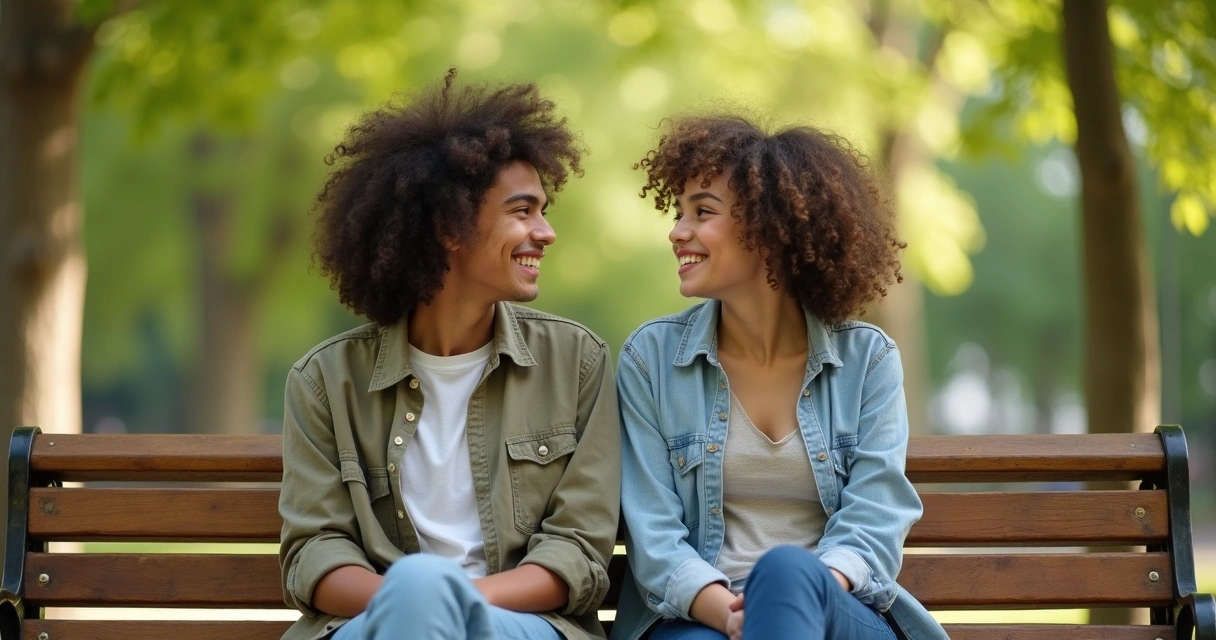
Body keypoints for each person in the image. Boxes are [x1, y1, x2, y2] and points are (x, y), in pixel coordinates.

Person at [278, 70, 621, 640]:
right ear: (449, 226)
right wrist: (414, 604)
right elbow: (315, 554)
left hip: (519, 626)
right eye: (523, 211)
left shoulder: (576, 363)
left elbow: (576, 554)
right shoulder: (325, 380)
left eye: (543, 209)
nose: (547, 232)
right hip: (372, 623)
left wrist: (440, 602)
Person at [610, 114, 948, 640]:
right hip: (699, 618)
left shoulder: (867, 360)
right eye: (679, 213)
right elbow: (655, 537)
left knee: (787, 571)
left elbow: (875, 519)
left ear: (770, 226)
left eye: (702, 212)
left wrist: (793, 599)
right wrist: (730, 612)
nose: (677, 232)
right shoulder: (650, 360)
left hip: (831, 609)